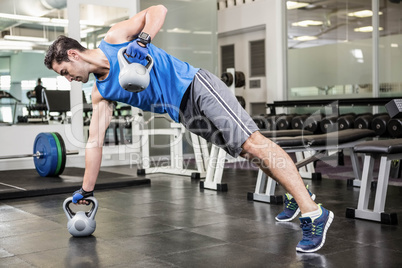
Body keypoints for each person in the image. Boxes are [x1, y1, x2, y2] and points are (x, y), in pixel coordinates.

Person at [44, 5, 333, 253]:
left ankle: (314, 212)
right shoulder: (100, 93)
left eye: (65, 72)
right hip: (184, 113)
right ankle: (297, 193)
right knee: (248, 152)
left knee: (253, 142)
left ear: (73, 54)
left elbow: (158, 10)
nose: (69, 79)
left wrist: (143, 40)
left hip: (196, 86)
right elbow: (95, 143)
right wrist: (86, 190)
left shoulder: (115, 39)